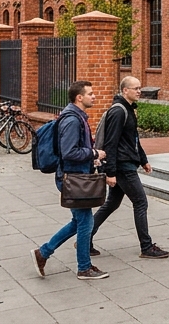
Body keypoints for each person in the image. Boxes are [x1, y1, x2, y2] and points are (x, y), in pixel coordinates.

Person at [33, 80, 109, 280]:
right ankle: (83, 267)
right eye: (90, 94)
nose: (94, 97)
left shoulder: (76, 117)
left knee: (79, 222)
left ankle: (43, 253)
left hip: (76, 175)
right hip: (72, 178)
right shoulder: (72, 120)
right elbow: (69, 152)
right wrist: (94, 153)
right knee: (86, 222)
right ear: (79, 97)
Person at [91, 76, 169, 259]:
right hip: (122, 166)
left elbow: (133, 139)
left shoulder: (128, 109)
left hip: (125, 162)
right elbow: (111, 143)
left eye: (140, 88)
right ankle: (146, 247)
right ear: (125, 90)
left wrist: (143, 160)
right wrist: (110, 172)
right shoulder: (119, 111)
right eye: (135, 88)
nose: (139, 91)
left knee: (112, 203)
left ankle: (85, 239)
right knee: (140, 202)